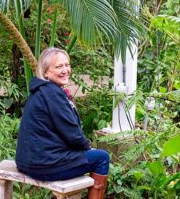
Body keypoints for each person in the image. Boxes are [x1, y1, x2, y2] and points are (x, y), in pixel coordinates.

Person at [15, 47, 110, 199]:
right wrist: (87, 147)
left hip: (27, 161)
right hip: (43, 164)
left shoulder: (42, 90)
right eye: (59, 66)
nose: (65, 70)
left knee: (86, 156)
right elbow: (72, 134)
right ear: (45, 72)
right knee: (102, 157)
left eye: (67, 65)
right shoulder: (53, 94)